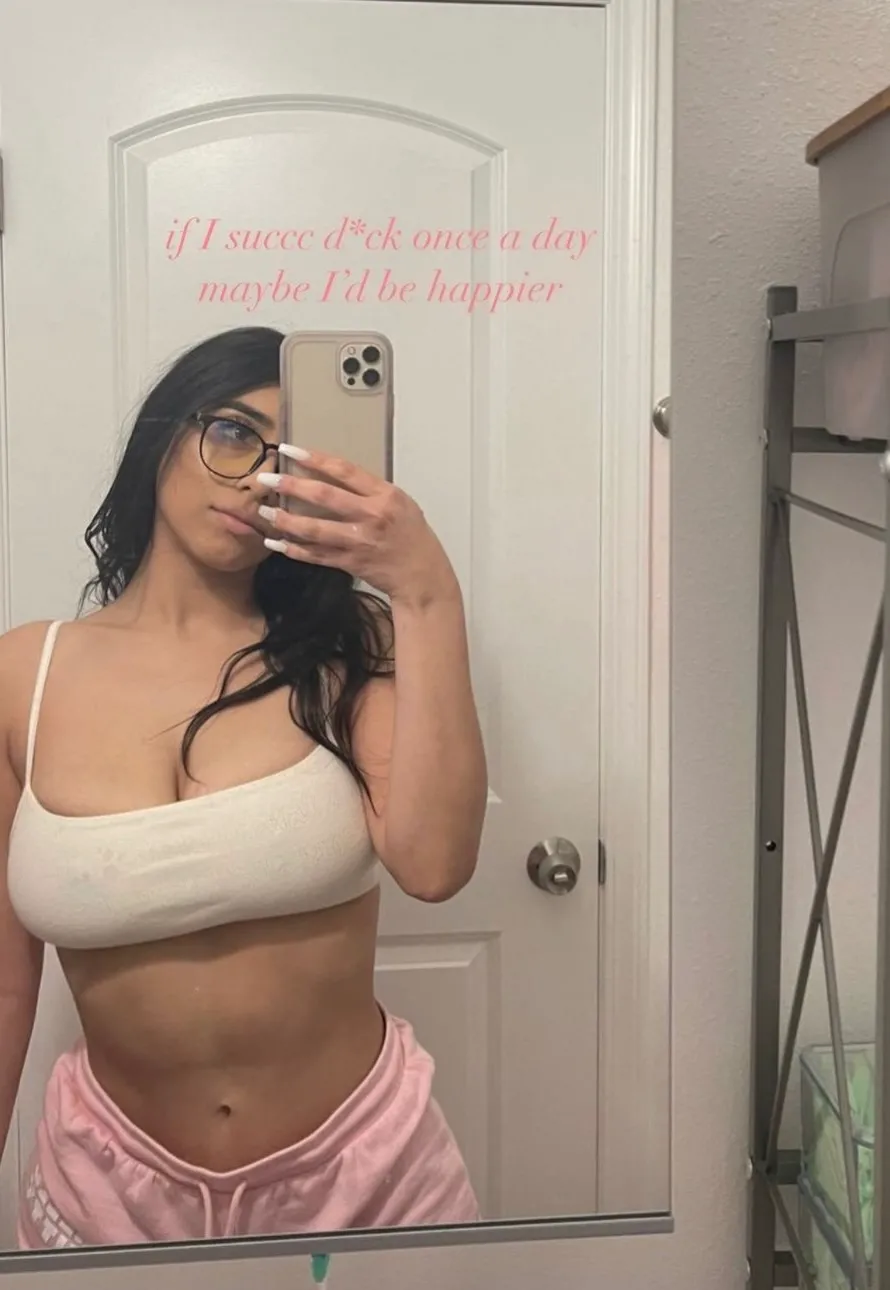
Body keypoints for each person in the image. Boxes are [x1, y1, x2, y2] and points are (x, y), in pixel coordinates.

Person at [0, 326, 487, 1248]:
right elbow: (2, 988)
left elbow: (434, 866)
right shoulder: (22, 675)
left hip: (367, 1174)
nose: (257, 479)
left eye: (287, 459)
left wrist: (426, 592)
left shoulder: (350, 651)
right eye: (233, 433)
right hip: (103, 1186)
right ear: (163, 437)